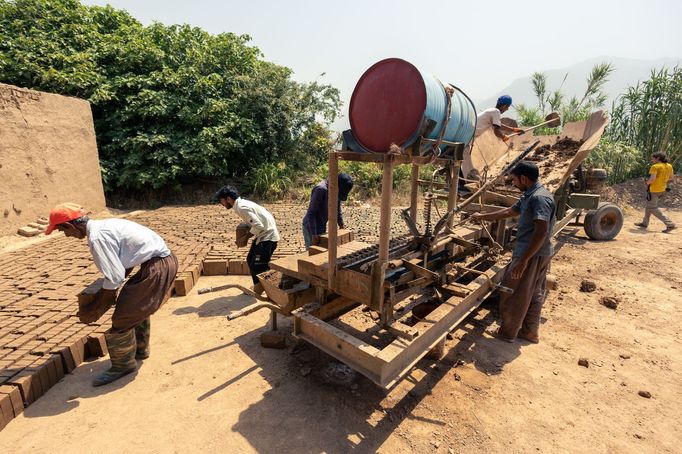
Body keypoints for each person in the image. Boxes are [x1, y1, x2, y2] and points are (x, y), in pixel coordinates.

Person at [46, 203, 178, 386]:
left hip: (157, 267)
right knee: (134, 307)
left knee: (122, 318)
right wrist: (105, 293)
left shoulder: (97, 238)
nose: (67, 235)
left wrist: (95, 307)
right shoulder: (105, 226)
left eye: (63, 231)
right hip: (161, 262)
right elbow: (125, 263)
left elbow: (114, 278)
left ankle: (123, 365)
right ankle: (140, 349)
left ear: (70, 226)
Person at [471, 161, 555, 343]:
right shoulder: (529, 195)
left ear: (524, 178)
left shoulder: (539, 198)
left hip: (532, 254)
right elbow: (510, 211)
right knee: (534, 293)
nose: (513, 183)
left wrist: (524, 260)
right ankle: (530, 332)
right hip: (538, 253)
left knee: (513, 291)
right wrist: (482, 217)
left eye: (515, 180)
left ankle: (507, 334)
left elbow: (542, 230)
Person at [213, 185, 280, 294]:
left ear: (228, 199)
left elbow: (259, 225)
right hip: (262, 235)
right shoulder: (241, 205)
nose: (222, 204)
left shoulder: (242, 207)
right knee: (250, 260)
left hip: (268, 237)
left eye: (222, 201)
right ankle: (258, 287)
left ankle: (273, 291)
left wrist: (245, 238)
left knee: (259, 265)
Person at [302, 173, 353, 248]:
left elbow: (337, 207)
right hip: (311, 227)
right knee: (313, 252)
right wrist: (313, 234)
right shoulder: (320, 189)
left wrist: (341, 224)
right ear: (336, 185)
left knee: (322, 252)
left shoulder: (336, 190)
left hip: (322, 225)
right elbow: (311, 213)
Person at [635, 152, 676, 233]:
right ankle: (644, 223)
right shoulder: (669, 166)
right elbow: (671, 178)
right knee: (649, 206)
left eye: (653, 158)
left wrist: (647, 183)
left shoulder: (655, 167)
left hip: (654, 190)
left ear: (658, 158)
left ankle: (670, 224)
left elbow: (652, 179)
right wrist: (662, 181)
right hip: (663, 189)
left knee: (652, 208)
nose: (652, 160)